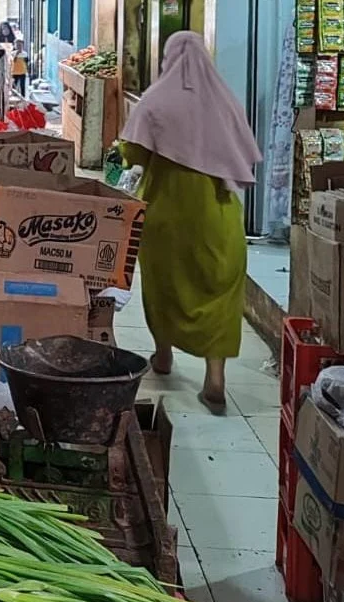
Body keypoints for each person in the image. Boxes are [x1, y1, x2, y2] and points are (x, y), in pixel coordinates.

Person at [117, 31, 262, 414]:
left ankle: (163, 356)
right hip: (219, 216)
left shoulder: (155, 101)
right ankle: (215, 377)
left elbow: (133, 153)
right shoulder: (225, 101)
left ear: (169, 58)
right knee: (218, 292)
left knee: (165, 286)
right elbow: (242, 152)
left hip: (168, 216)